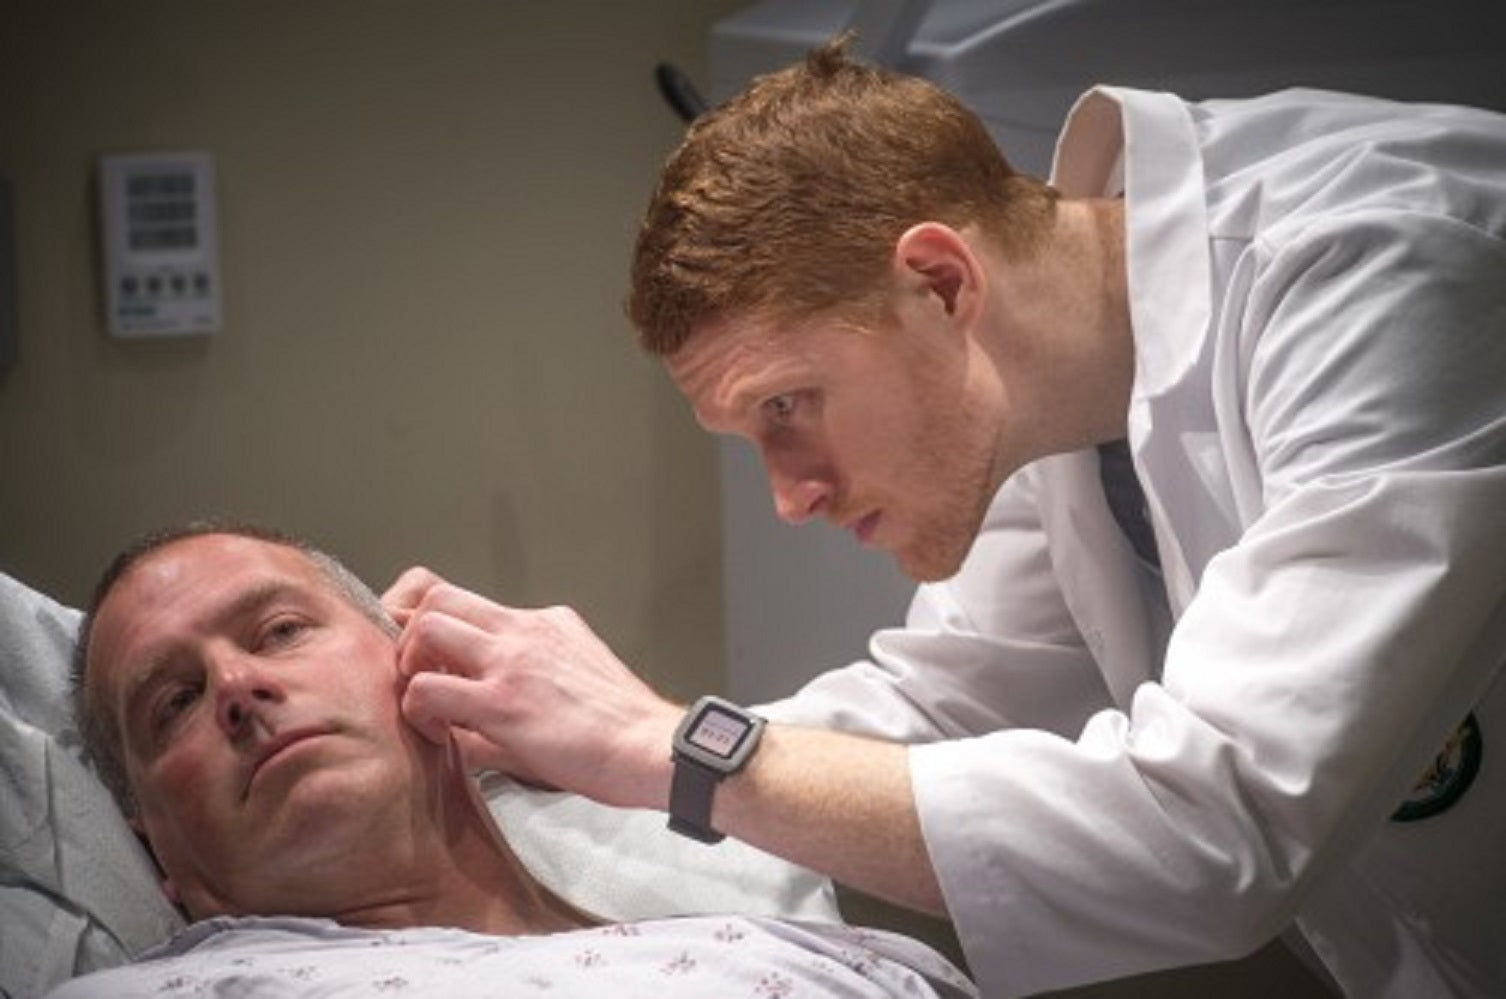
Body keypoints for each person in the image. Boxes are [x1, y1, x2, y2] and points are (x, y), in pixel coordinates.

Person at [383, 39, 1506, 998]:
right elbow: (944, 703)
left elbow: (1216, 831)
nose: (790, 496)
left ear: (939, 280)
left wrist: (663, 747)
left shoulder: (1384, 269)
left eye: (788, 407)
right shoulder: (1048, 383)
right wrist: (567, 744)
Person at [51, 521, 976, 998]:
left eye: (281, 630)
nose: (235, 687)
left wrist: (647, 736)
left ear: (426, 665)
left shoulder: (809, 952)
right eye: (172, 702)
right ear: (161, 853)